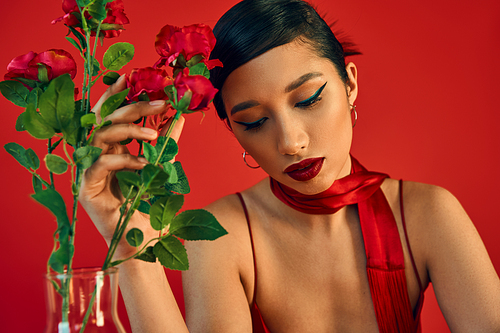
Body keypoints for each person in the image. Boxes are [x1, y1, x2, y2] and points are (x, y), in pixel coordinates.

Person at [79, 0, 500, 332]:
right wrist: (129, 244)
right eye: (254, 122)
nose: (291, 142)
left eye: (309, 99)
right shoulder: (223, 233)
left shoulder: (426, 214)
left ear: (350, 83)